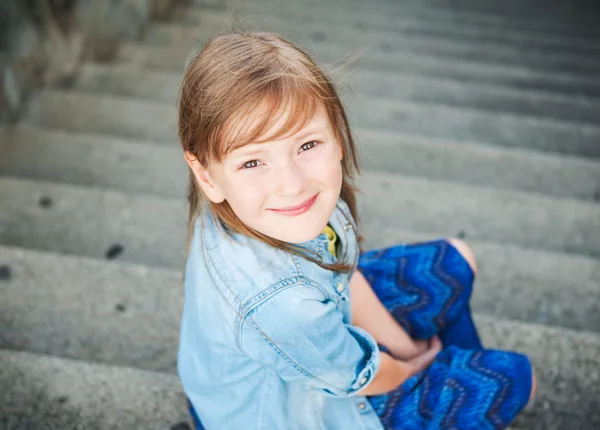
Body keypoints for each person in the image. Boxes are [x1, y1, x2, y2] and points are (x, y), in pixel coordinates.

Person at [176, 31, 536, 430]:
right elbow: (355, 376)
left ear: (337, 135)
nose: (292, 183)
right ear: (206, 175)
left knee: (458, 259)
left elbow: (342, 274)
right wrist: (409, 369)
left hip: (310, 352)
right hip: (285, 414)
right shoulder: (281, 305)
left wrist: (404, 348)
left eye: (307, 145)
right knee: (517, 378)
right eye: (252, 163)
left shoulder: (263, 205)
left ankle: (454, 379)